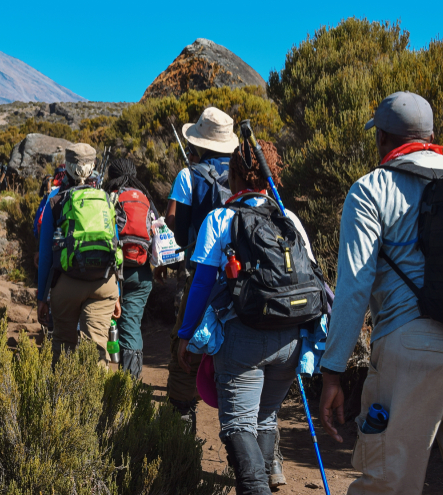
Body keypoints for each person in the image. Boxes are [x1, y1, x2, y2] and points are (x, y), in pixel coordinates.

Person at [318, 92, 443, 494]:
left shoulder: (371, 190)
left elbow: (355, 287)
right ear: (431, 135)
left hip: (411, 349)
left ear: (383, 139)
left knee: (388, 483)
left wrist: (332, 371)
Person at [177, 139, 319, 495]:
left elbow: (201, 285)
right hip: (291, 339)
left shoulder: (221, 218)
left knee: (239, 425)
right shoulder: (289, 219)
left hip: (243, 339)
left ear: (236, 174)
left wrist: (186, 334)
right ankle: (266, 481)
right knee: (265, 415)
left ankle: (255, 487)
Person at [164, 107, 239, 428]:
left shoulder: (188, 175)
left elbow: (179, 233)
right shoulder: (242, 172)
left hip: (203, 271)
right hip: (242, 275)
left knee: (186, 345)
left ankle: (182, 422)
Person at [36, 143, 122, 365]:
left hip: (67, 284)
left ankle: (63, 398)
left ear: (67, 167)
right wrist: (117, 292)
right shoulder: (104, 199)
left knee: (63, 347)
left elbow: (45, 256)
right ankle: (97, 398)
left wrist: (41, 298)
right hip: (104, 282)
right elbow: (114, 244)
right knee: (96, 351)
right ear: (93, 167)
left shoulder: (54, 202)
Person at [104, 157, 158, 379]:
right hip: (141, 273)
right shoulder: (145, 199)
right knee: (131, 325)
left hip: (110, 274)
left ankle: (98, 382)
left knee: (100, 323)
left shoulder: (108, 197)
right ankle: (129, 386)